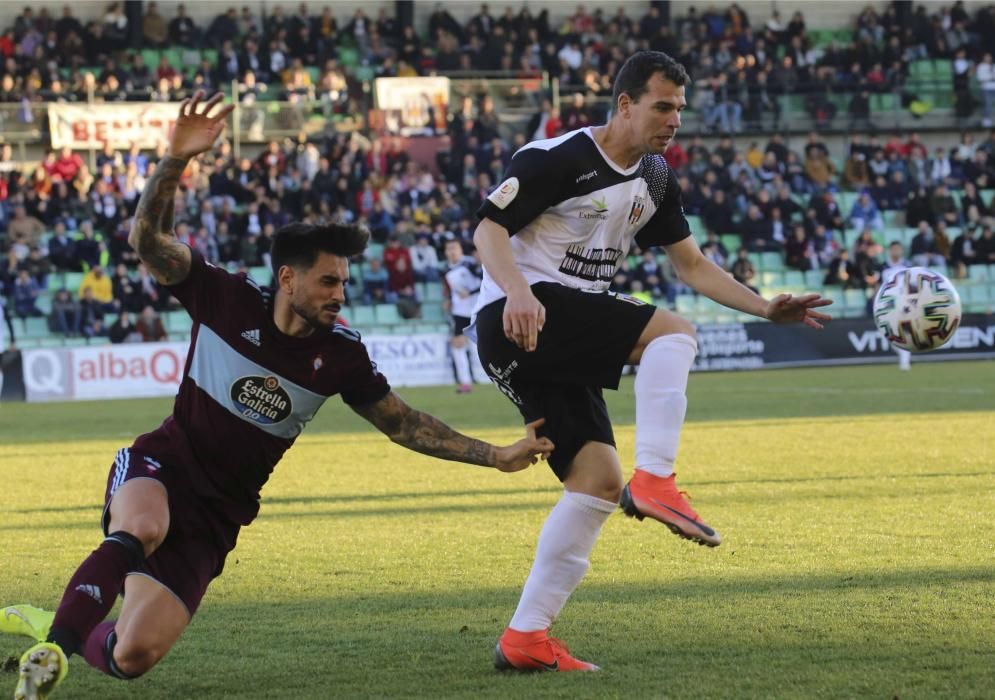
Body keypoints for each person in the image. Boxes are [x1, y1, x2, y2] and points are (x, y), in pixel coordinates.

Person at [3, 92, 553, 700]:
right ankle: (51, 647)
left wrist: (493, 455)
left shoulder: (341, 356)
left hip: (220, 515)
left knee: (132, 655)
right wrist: (174, 163)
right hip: (161, 466)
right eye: (327, 280)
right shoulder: (225, 297)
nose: (339, 293)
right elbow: (147, 240)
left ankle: (56, 623)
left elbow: (405, 424)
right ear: (287, 279)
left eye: (343, 281)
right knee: (143, 526)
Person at [469, 51, 831, 672]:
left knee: (597, 483)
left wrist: (764, 308)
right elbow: (488, 230)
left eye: (680, 110)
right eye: (662, 107)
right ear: (626, 105)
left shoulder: (657, 179)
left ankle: (525, 637)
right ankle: (658, 479)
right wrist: (520, 292)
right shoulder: (557, 159)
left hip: (552, 332)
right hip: (519, 314)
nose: (674, 120)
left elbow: (690, 264)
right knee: (673, 334)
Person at [443, 237, 483, 393]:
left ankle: (490, 377)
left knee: (480, 348)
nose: (452, 251)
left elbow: (485, 279)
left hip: (477, 310)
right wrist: (448, 299)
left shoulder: (470, 264)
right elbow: (453, 289)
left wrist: (470, 292)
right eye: (449, 248)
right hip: (460, 312)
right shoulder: (446, 269)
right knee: (457, 345)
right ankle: (465, 383)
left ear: (460, 250)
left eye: (454, 248)